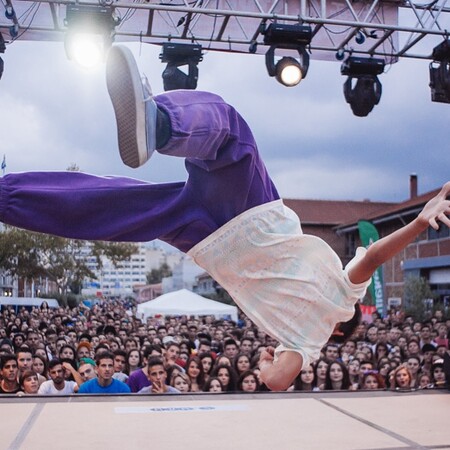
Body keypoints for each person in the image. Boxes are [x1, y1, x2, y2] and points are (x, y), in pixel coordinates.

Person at [0, 45, 449, 391]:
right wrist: (270, 361)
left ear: (348, 322)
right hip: (207, 243)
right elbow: (276, 380)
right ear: (335, 337)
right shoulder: (304, 344)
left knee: (231, 133)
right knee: (112, 208)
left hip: (251, 215)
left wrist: (419, 221)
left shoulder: (342, 298)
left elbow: (371, 258)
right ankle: (7, 198)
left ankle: (161, 125)